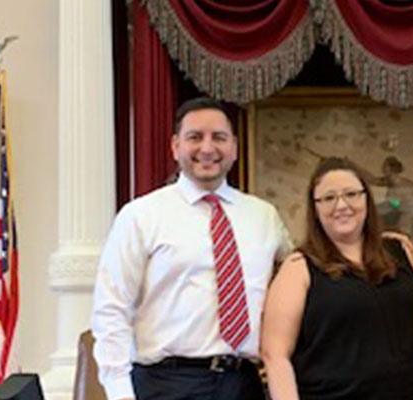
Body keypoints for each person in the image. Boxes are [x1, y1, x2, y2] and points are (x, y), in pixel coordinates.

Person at [92, 97, 293, 400]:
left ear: (234, 147)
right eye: (195, 137)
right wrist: (120, 392)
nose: (208, 148)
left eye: (219, 138)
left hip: (244, 383)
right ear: (176, 146)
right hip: (166, 384)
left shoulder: (264, 216)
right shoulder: (141, 215)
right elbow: (111, 310)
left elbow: (300, 276)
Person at [261, 156, 413, 400]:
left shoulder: (401, 252)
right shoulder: (298, 268)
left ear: (366, 199)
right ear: (314, 209)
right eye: (328, 198)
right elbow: (275, 355)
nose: (341, 205)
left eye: (351, 194)